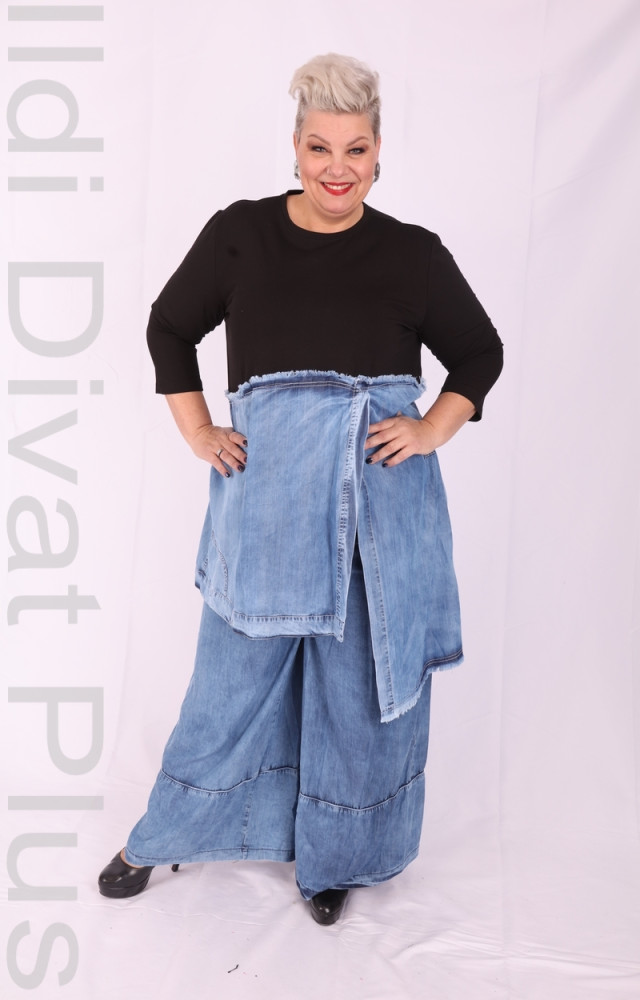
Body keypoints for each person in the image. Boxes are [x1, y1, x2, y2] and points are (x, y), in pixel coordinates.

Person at [98, 53, 503, 926]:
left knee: (359, 696)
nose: (337, 169)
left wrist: (432, 428)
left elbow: (480, 352)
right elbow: (169, 327)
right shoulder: (241, 234)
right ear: (295, 145)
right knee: (229, 687)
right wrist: (199, 432)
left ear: (379, 151)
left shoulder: (413, 254)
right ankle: (163, 834)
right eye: (321, 147)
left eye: (356, 149)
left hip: (377, 515)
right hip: (269, 508)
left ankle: (333, 860)